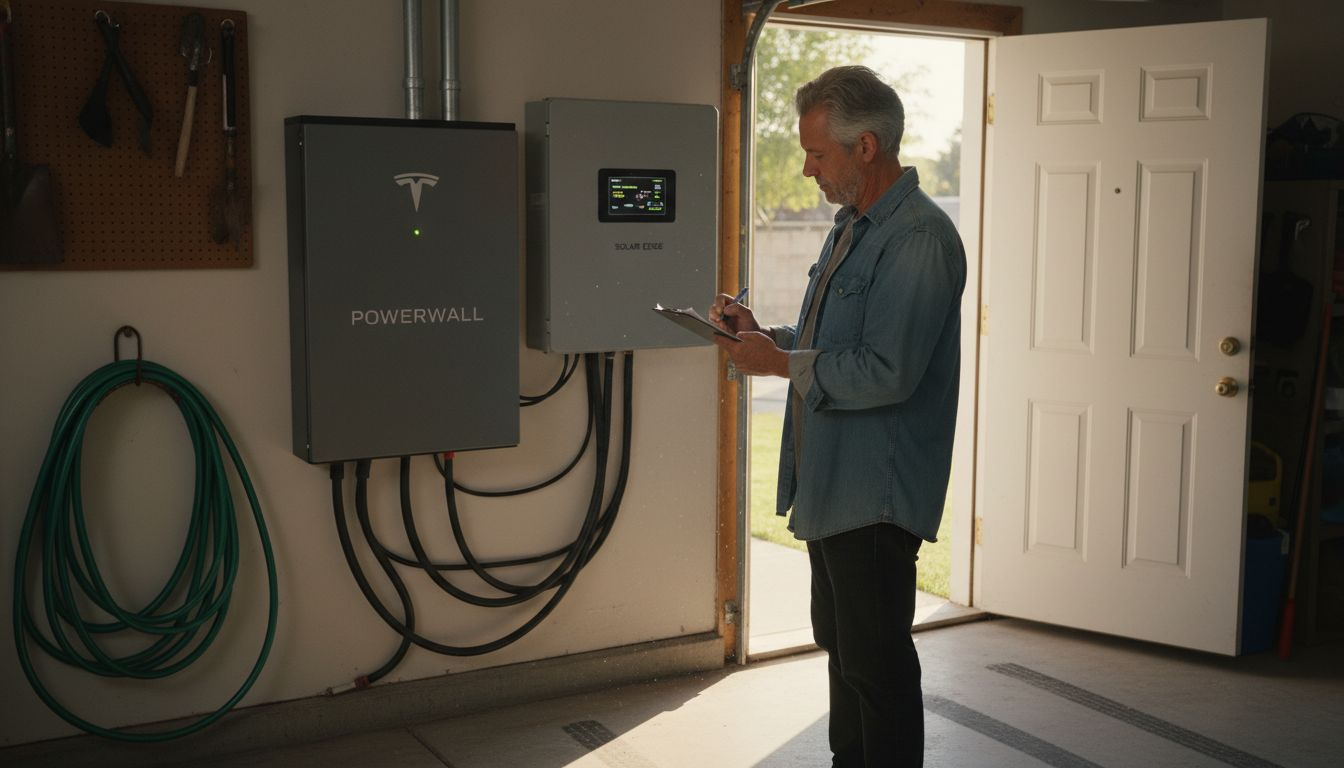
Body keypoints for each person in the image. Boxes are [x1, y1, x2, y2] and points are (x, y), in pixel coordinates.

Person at [710, 65, 965, 767]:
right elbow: (834, 349)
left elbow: (888, 370)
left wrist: (777, 364)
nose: (806, 168)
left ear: (867, 147)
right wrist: (764, 338)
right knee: (847, 654)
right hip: (835, 490)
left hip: (875, 499)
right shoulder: (853, 228)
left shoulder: (918, 239)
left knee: (875, 668)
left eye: (817, 154)